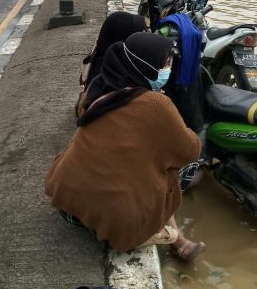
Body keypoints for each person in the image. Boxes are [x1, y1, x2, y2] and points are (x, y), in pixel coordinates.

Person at [46, 32, 206, 260]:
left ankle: (177, 239)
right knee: (173, 169)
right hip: (110, 221)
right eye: (164, 64)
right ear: (146, 67)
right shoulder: (156, 103)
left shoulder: (99, 87)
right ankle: (174, 237)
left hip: (67, 205)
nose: (167, 68)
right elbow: (191, 149)